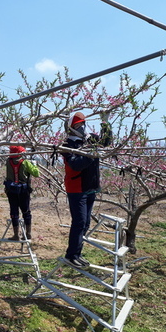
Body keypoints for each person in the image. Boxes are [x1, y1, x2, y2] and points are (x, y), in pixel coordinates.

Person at [61, 111, 112, 268]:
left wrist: (105, 123)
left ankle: (77, 253)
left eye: (83, 124)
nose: (82, 127)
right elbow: (76, 165)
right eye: (78, 125)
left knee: (86, 222)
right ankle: (71, 255)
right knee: (79, 221)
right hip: (77, 188)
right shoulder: (67, 145)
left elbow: (106, 142)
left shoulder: (90, 139)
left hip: (89, 186)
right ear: (71, 128)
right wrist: (92, 152)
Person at [3, 146, 40, 240]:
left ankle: (16, 235)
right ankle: (28, 234)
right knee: (26, 211)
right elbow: (36, 174)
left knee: (14, 212)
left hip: (11, 190)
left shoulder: (8, 162)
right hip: (23, 190)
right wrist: (34, 165)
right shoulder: (25, 162)